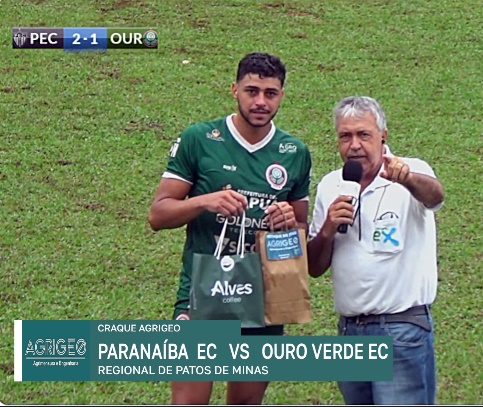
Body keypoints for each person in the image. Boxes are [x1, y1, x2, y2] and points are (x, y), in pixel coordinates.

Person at [148, 52, 312, 404]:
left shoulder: (294, 152)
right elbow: (158, 215)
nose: (260, 101)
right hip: (204, 289)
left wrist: (288, 221)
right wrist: (204, 201)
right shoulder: (200, 138)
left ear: (282, 95)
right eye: (252, 91)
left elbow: (301, 228)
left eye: (270, 93)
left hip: (263, 295)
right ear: (234, 90)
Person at [307, 96, 444, 405]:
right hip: (350, 332)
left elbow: (436, 197)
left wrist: (408, 179)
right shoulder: (331, 185)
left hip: (400, 330)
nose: (354, 145)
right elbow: (315, 267)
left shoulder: (411, 171)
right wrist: (328, 228)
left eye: (363, 134)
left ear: (383, 136)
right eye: (345, 136)